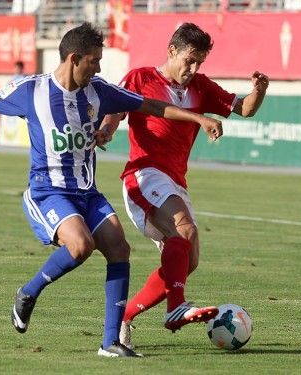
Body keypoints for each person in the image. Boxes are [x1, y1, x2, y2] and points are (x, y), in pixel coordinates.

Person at [0, 22, 223, 358]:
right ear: (73, 58)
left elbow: (152, 106)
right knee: (81, 245)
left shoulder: (99, 91)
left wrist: (199, 119)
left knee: (119, 248)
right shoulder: (29, 90)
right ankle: (28, 292)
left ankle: (110, 341)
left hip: (87, 192)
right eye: (94, 61)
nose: (98, 68)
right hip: (48, 192)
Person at [99, 22, 269, 349]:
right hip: (143, 174)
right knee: (185, 231)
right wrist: (106, 130)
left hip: (175, 182)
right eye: (189, 60)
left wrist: (258, 90)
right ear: (172, 50)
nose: (193, 69)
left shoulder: (202, 87)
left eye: (199, 63)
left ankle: (124, 318)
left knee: (187, 261)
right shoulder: (140, 78)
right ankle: (175, 308)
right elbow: (115, 110)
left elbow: (245, 109)